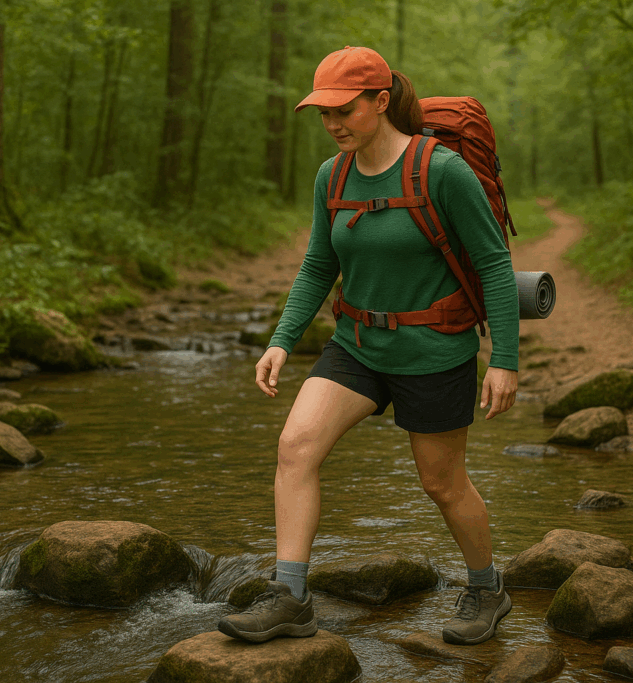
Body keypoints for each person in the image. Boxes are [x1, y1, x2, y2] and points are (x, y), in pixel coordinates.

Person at [218, 46, 519, 646]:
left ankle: (487, 589)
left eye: (344, 110)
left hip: (434, 349)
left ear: (381, 102)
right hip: (356, 345)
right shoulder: (332, 176)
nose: (332, 124)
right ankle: (289, 597)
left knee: (442, 484)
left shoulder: (442, 170)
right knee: (296, 446)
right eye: (322, 112)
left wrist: (504, 360)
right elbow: (316, 266)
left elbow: (493, 264)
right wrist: (281, 341)